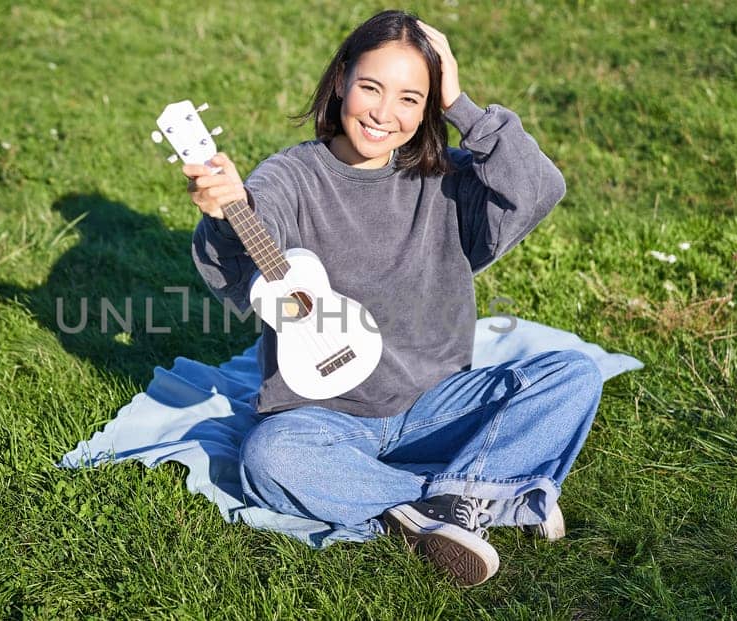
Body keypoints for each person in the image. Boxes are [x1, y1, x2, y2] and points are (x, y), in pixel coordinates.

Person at [184, 10, 602, 587]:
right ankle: (485, 499)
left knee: (574, 375)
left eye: (412, 98)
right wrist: (227, 210)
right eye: (371, 88)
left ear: (430, 107)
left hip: (437, 405)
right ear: (342, 81)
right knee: (269, 458)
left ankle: (423, 508)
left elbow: (539, 188)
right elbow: (255, 237)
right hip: (325, 418)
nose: (384, 113)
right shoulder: (292, 175)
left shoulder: (447, 179)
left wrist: (461, 104)